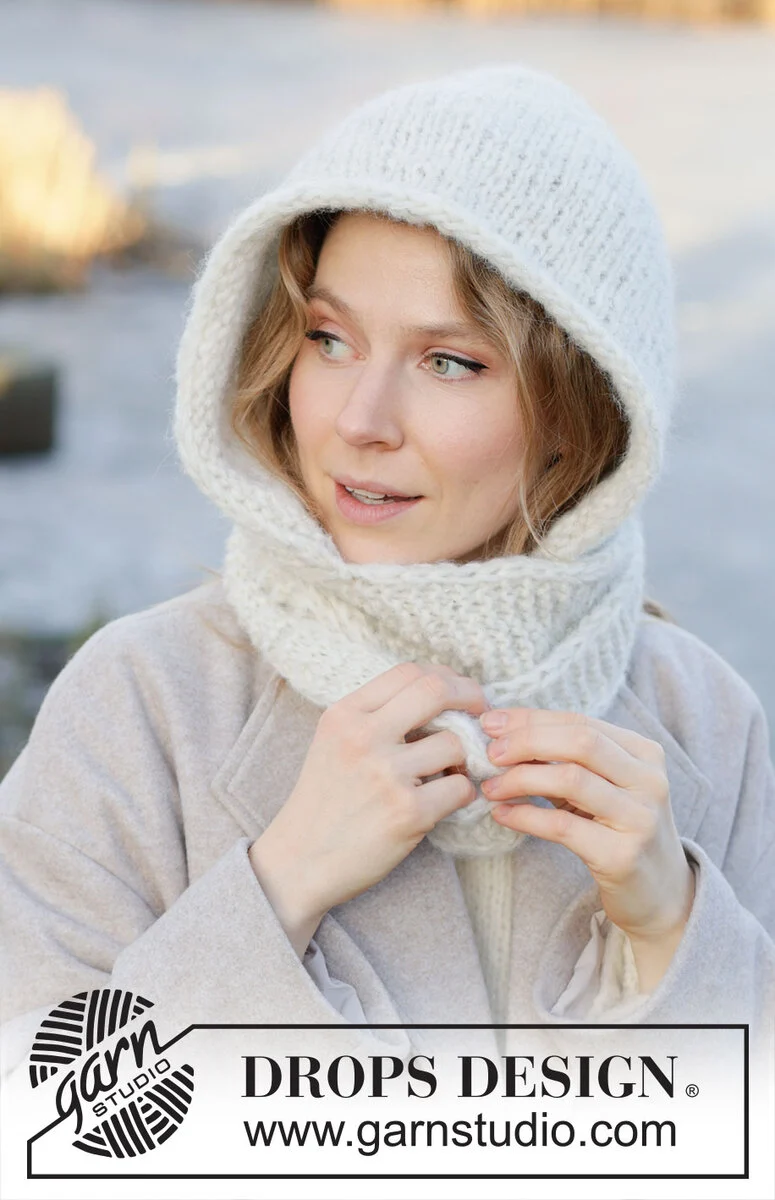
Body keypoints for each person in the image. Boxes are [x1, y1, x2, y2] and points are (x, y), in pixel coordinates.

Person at [1, 65, 774, 1061]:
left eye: (449, 361)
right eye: (328, 339)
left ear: (582, 408)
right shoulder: (140, 705)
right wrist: (281, 884)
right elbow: (43, 1126)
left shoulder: (706, 723)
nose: (358, 421)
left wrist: (675, 938)